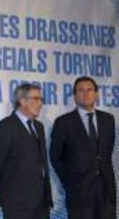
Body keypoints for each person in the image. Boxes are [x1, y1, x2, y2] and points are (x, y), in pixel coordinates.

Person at [50, 76, 116, 219]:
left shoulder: (108, 120)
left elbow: (106, 155)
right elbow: (55, 157)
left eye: (89, 90)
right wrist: (70, 181)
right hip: (79, 195)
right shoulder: (63, 122)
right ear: (74, 96)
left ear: (97, 94)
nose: (85, 94)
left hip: (106, 194)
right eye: (80, 90)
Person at [0, 83, 53, 219]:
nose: (40, 103)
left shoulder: (39, 127)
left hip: (41, 204)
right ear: (22, 101)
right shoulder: (5, 127)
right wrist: (8, 198)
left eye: (41, 99)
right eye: (35, 99)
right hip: (16, 206)